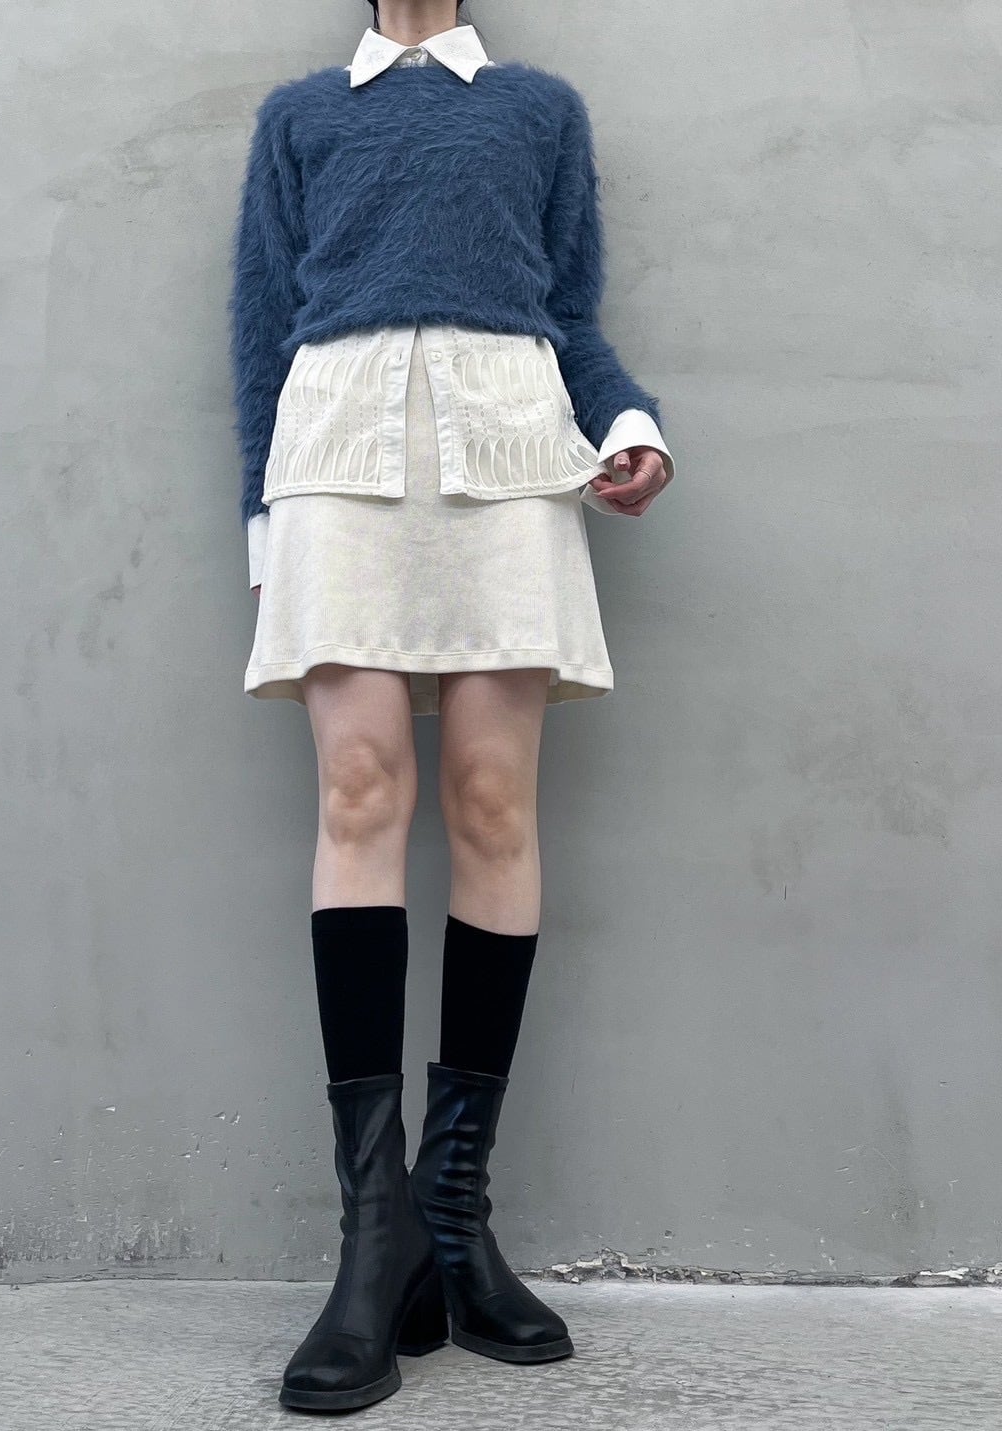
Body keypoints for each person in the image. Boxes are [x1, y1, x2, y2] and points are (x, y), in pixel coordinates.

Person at [228, 0, 674, 1413]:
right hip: (335, 454)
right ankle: (374, 1243)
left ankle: (454, 1219)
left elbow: (572, 316)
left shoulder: (540, 110)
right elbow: (261, 333)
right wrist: (262, 523)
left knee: (493, 803)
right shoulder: (302, 116)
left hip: (510, 450)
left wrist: (631, 425)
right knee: (360, 792)